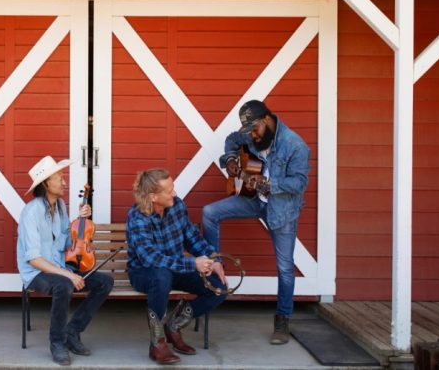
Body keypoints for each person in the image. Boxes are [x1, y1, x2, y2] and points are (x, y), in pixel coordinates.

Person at [202, 99, 310, 345]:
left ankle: (282, 319)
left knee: (284, 267)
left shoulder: (295, 145)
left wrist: (270, 184)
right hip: (253, 199)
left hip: (281, 210)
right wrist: (230, 159)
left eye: (255, 129)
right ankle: (214, 270)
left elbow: (300, 183)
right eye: (249, 131)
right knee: (209, 212)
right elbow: (231, 139)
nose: (252, 135)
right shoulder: (251, 136)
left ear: (267, 120)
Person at [16, 155, 114, 366]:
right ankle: (57, 343)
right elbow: (33, 259)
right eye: (59, 177)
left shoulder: (59, 205)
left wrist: (79, 221)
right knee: (64, 285)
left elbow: (63, 240)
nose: (64, 181)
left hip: (59, 266)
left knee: (105, 282)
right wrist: (68, 274)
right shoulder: (30, 213)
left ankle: (72, 331)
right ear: (45, 184)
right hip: (37, 273)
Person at [126, 168, 228, 365]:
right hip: (143, 273)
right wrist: (192, 263)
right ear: (153, 196)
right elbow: (150, 258)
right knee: (161, 274)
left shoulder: (177, 205)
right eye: (169, 190)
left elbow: (192, 237)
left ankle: (173, 326)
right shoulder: (137, 217)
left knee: (218, 288)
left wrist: (213, 260)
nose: (174, 193)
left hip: (175, 267)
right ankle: (157, 343)